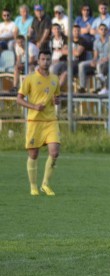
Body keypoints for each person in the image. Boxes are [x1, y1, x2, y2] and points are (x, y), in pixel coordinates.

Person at [16, 50, 61, 196]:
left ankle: (45, 184)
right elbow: (19, 99)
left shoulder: (55, 78)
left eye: (48, 59)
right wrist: (34, 106)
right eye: (43, 59)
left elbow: (57, 97)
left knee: (54, 152)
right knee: (33, 154)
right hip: (35, 121)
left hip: (51, 120)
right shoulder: (30, 79)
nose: (45, 62)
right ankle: (33, 186)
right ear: (38, 60)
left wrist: (57, 101)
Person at [54, 24, 90, 90]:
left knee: (65, 74)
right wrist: (73, 51)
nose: (76, 32)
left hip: (77, 63)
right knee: (53, 68)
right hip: (66, 61)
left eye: (78, 31)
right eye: (75, 31)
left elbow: (77, 53)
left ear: (80, 32)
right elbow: (62, 51)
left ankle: (56, 90)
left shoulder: (83, 41)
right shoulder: (68, 41)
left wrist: (68, 50)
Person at [78, 23, 110, 94]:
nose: (103, 31)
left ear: (107, 31)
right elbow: (95, 55)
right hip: (99, 60)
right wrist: (94, 61)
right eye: (101, 29)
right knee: (82, 65)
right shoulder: (96, 42)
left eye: (105, 29)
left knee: (99, 65)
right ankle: (82, 87)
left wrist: (103, 60)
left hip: (107, 61)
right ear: (98, 31)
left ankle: (99, 87)